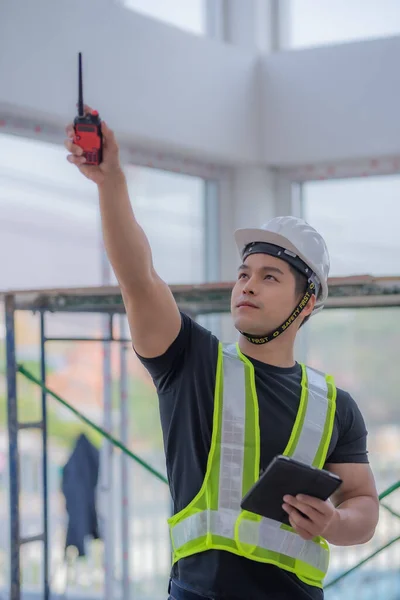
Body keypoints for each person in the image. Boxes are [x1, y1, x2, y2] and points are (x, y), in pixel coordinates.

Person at [65, 110, 379, 600]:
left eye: (269, 277)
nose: (247, 285)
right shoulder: (191, 362)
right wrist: (111, 183)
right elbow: (138, 276)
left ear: (307, 302)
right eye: (243, 273)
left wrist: (335, 522)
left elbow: (362, 504)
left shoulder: (336, 405)